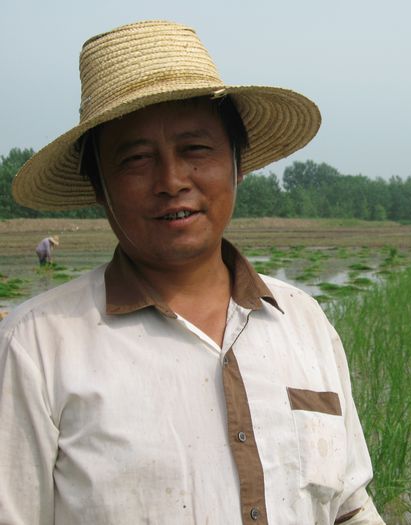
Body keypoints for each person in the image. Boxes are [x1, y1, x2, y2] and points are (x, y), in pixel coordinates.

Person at [1, 20, 384, 525]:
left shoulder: (305, 321)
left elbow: (349, 507)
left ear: (237, 164)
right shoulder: (35, 346)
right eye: (136, 158)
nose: (172, 180)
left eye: (195, 150)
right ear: (98, 185)